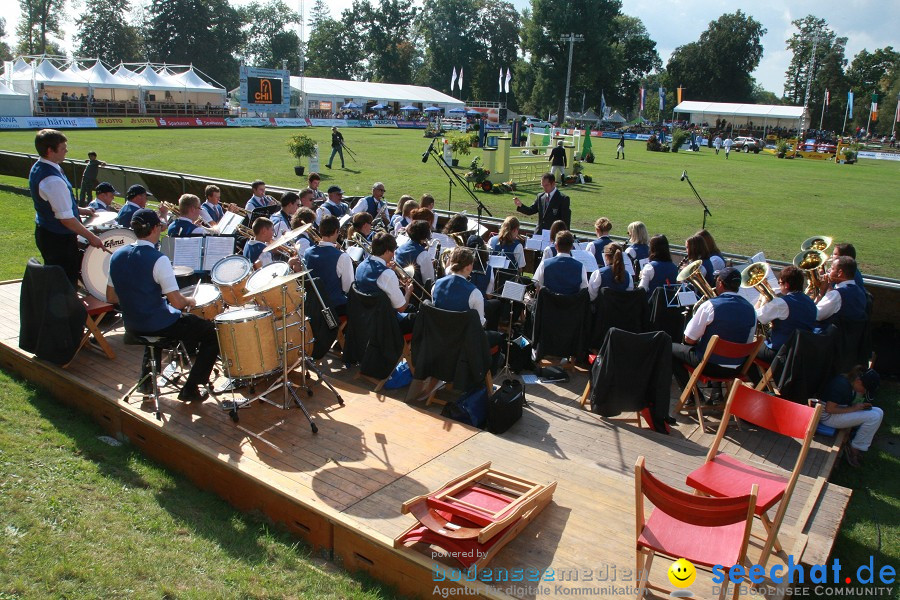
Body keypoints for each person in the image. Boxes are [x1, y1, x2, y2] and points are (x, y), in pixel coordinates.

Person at [106, 209, 219, 402]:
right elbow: (176, 302)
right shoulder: (158, 259)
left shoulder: (116, 256)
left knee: (155, 321)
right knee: (212, 333)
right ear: (155, 229)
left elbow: (111, 297)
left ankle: (147, 381)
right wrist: (189, 300)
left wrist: (139, 296)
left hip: (132, 325)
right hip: (156, 324)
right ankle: (191, 388)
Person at [29, 129, 104, 285]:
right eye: (63, 148)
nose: (66, 151)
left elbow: (56, 202)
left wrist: (80, 210)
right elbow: (66, 220)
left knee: (57, 279)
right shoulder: (52, 180)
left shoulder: (41, 166)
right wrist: (92, 238)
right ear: (50, 151)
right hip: (58, 240)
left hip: (47, 232)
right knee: (65, 283)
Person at [671, 267, 757, 394]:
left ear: (720, 283)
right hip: (737, 367)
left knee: (670, 348)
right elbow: (747, 342)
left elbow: (689, 339)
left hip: (709, 366)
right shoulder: (752, 310)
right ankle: (716, 395)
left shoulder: (710, 305)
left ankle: (691, 396)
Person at [817, 366, 883, 467]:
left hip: (837, 411)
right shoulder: (841, 385)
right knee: (873, 417)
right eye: (865, 390)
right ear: (858, 382)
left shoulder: (849, 382)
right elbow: (829, 409)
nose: (864, 392)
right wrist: (853, 409)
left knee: (879, 411)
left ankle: (857, 444)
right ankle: (854, 449)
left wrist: (856, 407)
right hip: (827, 417)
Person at [754, 265, 817, 363]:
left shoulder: (781, 303)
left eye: (780, 283)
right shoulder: (810, 301)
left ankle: (759, 378)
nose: (779, 285)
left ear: (786, 285)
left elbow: (757, 316)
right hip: (802, 352)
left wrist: (761, 298)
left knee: (749, 349)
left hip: (781, 353)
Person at [354, 232, 415, 332]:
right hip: (385, 323)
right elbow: (401, 308)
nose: (393, 255)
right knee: (420, 318)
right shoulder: (387, 274)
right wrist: (408, 292)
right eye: (392, 251)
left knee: (411, 307)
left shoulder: (360, 265)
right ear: (387, 251)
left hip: (365, 315)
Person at [302, 216, 353, 316]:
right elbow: (348, 288)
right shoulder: (342, 257)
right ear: (336, 231)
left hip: (313, 305)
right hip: (334, 307)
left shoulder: (307, 252)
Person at [815, 256, 867, 324]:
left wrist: (821, 293)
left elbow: (816, 315)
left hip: (825, 332)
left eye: (832, 268)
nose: (828, 270)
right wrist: (828, 286)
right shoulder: (860, 292)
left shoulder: (836, 295)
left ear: (840, 273)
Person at [534, 231, 587, 295]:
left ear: (556, 246)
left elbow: (537, 284)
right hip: (571, 304)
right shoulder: (580, 267)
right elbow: (584, 289)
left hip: (549, 303)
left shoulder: (544, 264)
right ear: (572, 247)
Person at [395, 220, 435, 287]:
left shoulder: (400, 247)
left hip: (400, 287)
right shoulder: (423, 254)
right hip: (416, 291)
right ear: (426, 234)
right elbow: (429, 280)